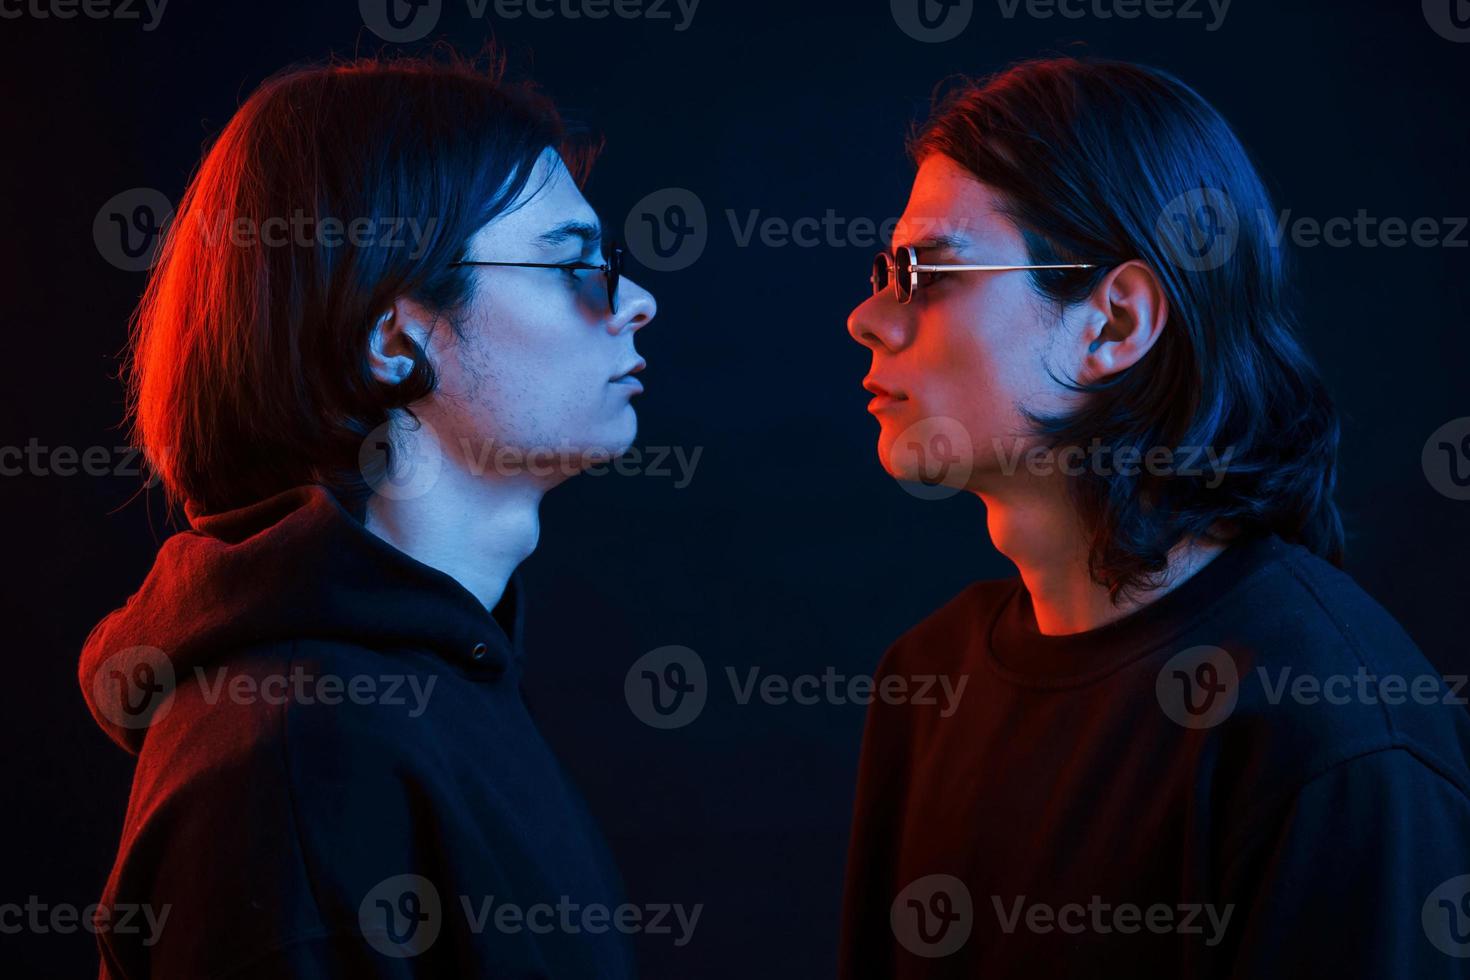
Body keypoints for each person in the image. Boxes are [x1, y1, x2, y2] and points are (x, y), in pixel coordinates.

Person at [840, 57, 1470, 978]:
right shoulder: (929, 682)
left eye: (928, 271)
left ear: (1114, 324)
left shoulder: (1329, 732)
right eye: (884, 270)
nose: (869, 317)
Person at [79, 52, 655, 977]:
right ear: (394, 340)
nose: (637, 303)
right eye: (575, 265)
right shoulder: (298, 761)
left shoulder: (435, 686)